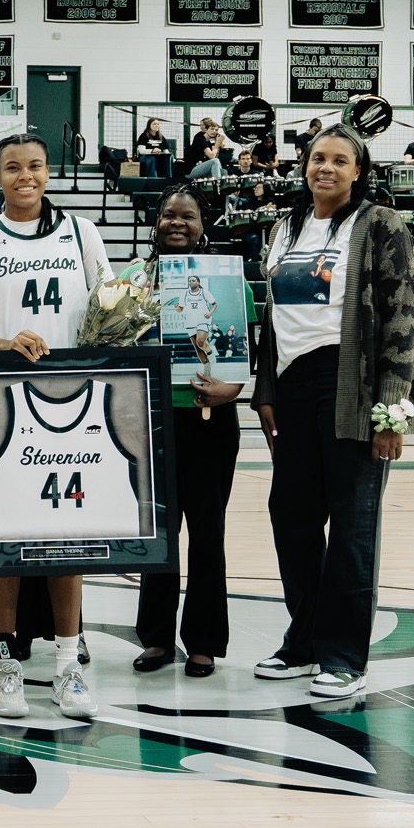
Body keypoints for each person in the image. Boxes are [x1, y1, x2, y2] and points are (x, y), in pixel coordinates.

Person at [0, 133, 113, 721]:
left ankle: (68, 664)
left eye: (35, 166)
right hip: (1, 402)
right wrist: (2, 344)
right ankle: (6, 658)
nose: (25, 176)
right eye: (12, 167)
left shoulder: (83, 234)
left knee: (68, 535)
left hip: (75, 403)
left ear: (48, 170)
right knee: (6, 537)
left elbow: (108, 310)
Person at [251, 122, 414, 700]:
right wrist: (266, 389)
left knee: (351, 525)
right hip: (294, 387)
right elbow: (271, 320)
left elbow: (400, 318)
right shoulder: (283, 228)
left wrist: (393, 412)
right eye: (317, 158)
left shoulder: (379, 225)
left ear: (358, 172)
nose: (325, 168)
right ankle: (304, 642)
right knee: (291, 517)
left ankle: (344, 657)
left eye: (339, 161)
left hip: (351, 383)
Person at [125, 187, 248, 679]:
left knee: (207, 534)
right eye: (168, 215)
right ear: (156, 222)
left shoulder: (227, 278)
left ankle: (203, 642)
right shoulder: (135, 279)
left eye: (188, 216)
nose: (177, 223)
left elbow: (245, 348)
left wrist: (232, 388)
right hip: (153, 421)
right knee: (160, 534)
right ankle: (155, 639)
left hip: (210, 420)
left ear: (203, 224)